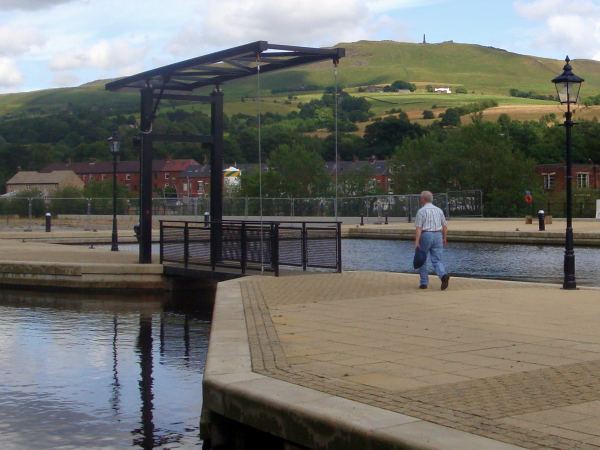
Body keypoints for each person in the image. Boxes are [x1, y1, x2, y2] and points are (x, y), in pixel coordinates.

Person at [414, 191, 450, 290]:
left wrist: (417, 241)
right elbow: (445, 226)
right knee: (437, 259)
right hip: (438, 235)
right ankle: (443, 276)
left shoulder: (421, 211)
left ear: (423, 199)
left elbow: (419, 228)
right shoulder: (439, 210)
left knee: (423, 258)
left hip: (426, 235)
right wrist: (444, 238)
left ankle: (424, 283)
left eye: (421, 198)